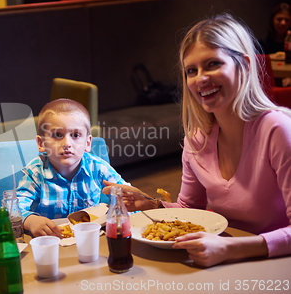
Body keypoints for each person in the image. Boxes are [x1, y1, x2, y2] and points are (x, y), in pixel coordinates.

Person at [110, 14, 291, 267]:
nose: (201, 79)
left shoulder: (278, 128)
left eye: (213, 64)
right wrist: (150, 204)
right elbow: (188, 209)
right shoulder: (197, 139)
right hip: (218, 262)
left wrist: (231, 248)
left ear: (245, 65)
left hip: (275, 265)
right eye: (191, 71)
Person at [17, 99, 132, 237]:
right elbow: (12, 209)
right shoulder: (35, 172)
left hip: (90, 239)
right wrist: (30, 220)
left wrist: (129, 206)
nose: (67, 143)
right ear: (41, 143)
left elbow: (129, 199)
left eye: (76, 135)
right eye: (58, 135)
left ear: (87, 143)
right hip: (51, 242)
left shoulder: (98, 168)